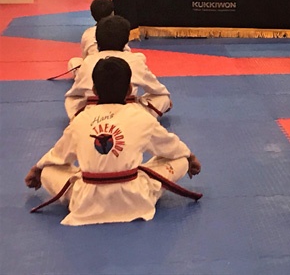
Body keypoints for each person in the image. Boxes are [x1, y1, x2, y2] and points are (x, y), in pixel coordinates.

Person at [25, 57, 201, 226]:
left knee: (48, 170)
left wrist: (38, 168)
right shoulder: (141, 117)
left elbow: (58, 155)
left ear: (94, 91)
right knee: (180, 159)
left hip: (85, 201)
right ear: (129, 90)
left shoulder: (80, 120)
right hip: (136, 199)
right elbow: (171, 147)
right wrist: (189, 157)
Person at [65, 15, 171, 120]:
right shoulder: (135, 61)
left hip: (93, 114)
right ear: (126, 41)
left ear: (97, 40)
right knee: (163, 98)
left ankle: (85, 119)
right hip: (129, 114)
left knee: (72, 100)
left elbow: (74, 95)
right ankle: (139, 118)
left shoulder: (88, 61)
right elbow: (159, 91)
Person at [67, 0, 130, 73]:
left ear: (92, 15)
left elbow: (85, 56)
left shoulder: (88, 32)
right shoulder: (120, 28)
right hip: (122, 66)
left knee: (74, 62)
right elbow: (126, 49)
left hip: (95, 69)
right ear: (113, 13)